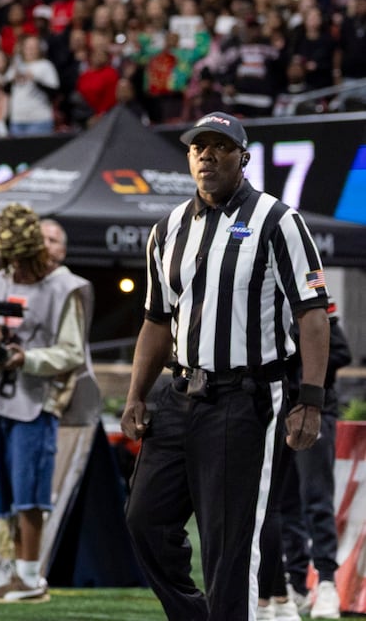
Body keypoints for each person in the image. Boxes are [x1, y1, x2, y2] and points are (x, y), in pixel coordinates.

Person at [122, 112, 331, 621]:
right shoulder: (167, 228)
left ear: (243, 157)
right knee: (144, 520)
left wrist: (310, 400)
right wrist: (135, 395)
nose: (207, 155)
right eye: (199, 147)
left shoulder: (278, 220)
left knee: (229, 544)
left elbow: (312, 315)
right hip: (178, 394)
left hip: (246, 396)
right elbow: (155, 319)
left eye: (220, 146)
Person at [0, 202, 97, 604]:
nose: (16, 268)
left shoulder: (66, 287)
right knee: (0, 491)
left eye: (22, 259)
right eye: (9, 259)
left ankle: (31, 577)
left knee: (30, 492)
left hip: (37, 400)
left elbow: (72, 351)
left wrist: (28, 358)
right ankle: (12, 568)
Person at [279, 312, 350, 619]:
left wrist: (298, 352)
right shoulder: (272, 305)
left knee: (316, 497)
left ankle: (326, 582)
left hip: (315, 410)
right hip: (279, 409)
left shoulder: (314, 304)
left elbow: (340, 352)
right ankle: (295, 581)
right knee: (285, 504)